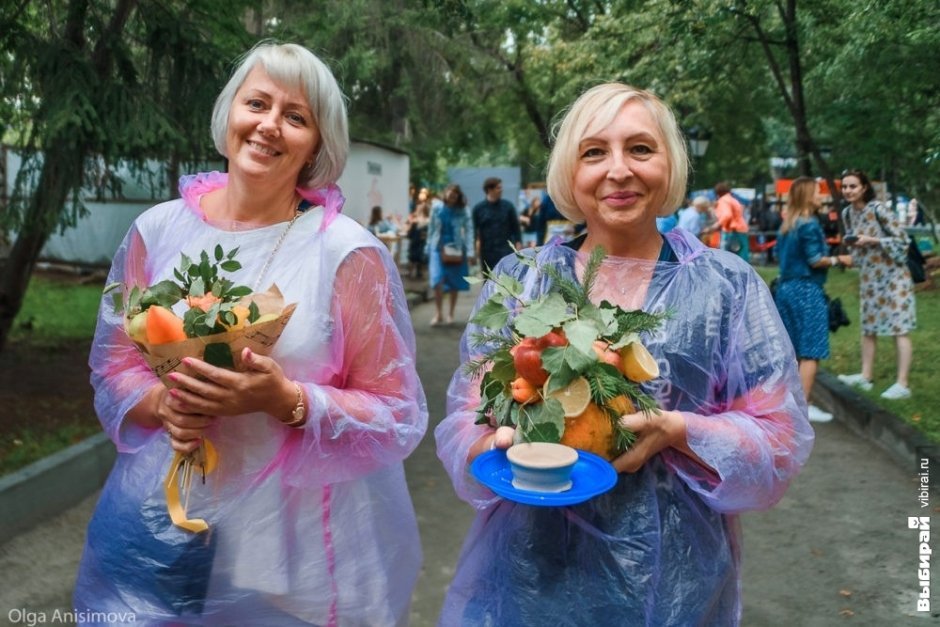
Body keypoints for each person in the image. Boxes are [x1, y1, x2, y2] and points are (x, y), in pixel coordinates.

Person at [74, 42, 428, 624]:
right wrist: (163, 401)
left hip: (298, 554)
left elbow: (396, 411)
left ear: (317, 144)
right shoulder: (156, 231)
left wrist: (287, 401)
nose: (269, 126)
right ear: (229, 112)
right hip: (164, 528)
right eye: (257, 103)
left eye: (296, 117)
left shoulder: (347, 254)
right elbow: (114, 368)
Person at [435, 83, 813, 625]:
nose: (618, 170)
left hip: (674, 582)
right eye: (594, 152)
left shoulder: (725, 286)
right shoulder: (523, 281)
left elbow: (779, 441)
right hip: (530, 574)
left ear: (670, 164)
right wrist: (495, 441)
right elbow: (464, 418)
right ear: (570, 171)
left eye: (640, 148)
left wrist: (680, 429)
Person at [773, 177, 851, 422]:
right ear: (808, 196)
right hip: (806, 290)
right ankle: (803, 406)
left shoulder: (788, 225)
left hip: (785, 289)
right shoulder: (809, 224)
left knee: (793, 349)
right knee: (811, 349)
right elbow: (815, 259)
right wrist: (841, 260)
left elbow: (778, 255)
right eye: (818, 192)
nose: (821, 196)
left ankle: (788, 404)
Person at [836, 169, 916, 400]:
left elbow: (902, 240)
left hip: (894, 275)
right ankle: (866, 375)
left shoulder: (879, 209)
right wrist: (853, 245)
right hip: (870, 276)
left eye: (853, 186)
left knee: (899, 327)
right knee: (868, 327)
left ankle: (902, 384)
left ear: (864, 188)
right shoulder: (848, 213)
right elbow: (856, 247)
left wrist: (874, 240)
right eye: (845, 187)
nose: (848, 191)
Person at [427, 183, 474, 325]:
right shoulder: (437, 208)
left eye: (455, 194)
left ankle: (451, 314)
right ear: (445, 193)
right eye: (450, 193)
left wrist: (471, 251)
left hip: (456, 248)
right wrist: (427, 247)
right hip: (437, 247)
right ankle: (438, 313)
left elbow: (469, 230)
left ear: (458, 196)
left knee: (454, 281)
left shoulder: (463, 210)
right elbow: (431, 228)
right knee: (437, 280)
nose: (452, 197)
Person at [471, 177, 522, 272]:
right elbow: (474, 232)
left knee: (507, 278)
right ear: (490, 189)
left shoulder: (508, 207)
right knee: (489, 280)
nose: (501, 190)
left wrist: (518, 243)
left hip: (506, 250)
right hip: (487, 251)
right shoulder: (478, 209)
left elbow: (516, 227)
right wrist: (473, 251)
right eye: (498, 188)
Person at [714, 181, 750, 261]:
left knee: (728, 256)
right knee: (742, 254)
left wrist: (717, 225)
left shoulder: (723, 200)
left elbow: (727, 215)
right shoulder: (733, 200)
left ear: (718, 193)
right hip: (741, 229)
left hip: (731, 230)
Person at [405, 197, 430, 279]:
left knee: (413, 256)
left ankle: (411, 273)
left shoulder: (415, 220)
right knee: (420, 256)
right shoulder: (428, 220)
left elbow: (409, 234)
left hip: (415, 243)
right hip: (423, 244)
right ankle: (420, 272)